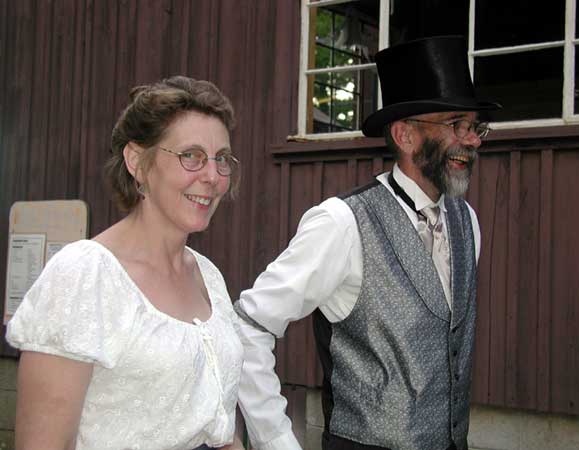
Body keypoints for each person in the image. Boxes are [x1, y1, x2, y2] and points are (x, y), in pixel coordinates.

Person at [233, 36, 501, 450]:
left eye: (475, 127)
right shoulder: (341, 224)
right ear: (405, 135)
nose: (473, 140)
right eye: (456, 125)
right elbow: (249, 326)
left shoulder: (468, 222)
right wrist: (275, 441)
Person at [7, 76, 245, 450]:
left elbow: (217, 420)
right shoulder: (85, 275)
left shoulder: (207, 275)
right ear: (137, 161)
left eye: (222, 159)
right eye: (191, 156)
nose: (213, 177)